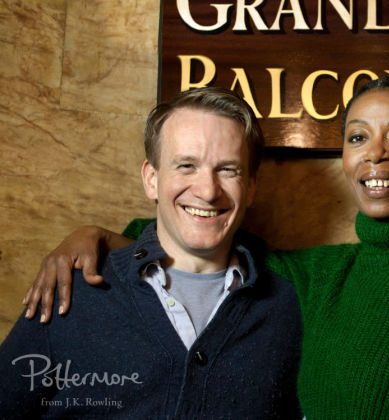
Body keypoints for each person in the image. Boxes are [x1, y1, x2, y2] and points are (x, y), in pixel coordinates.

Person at [20, 76, 389, 418]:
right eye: (357, 137)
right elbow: (213, 242)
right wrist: (100, 235)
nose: (375, 154)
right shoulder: (326, 273)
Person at [1, 87, 302, 418]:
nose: (207, 191)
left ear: (251, 188)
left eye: (228, 169)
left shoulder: (288, 309)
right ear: (151, 179)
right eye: (186, 165)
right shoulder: (73, 292)